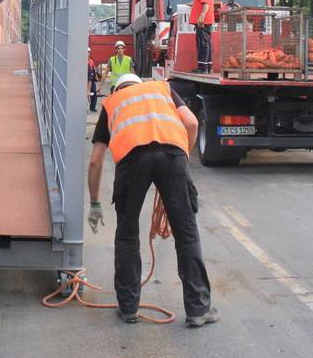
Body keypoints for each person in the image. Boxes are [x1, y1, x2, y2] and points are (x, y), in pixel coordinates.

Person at [87, 73, 219, 328]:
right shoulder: (162, 89)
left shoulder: (113, 103)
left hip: (132, 162)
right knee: (186, 233)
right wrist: (182, 160)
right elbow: (191, 123)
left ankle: (128, 309)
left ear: (117, 89)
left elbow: (95, 160)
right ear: (140, 84)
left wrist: (94, 203)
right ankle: (198, 310)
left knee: (127, 234)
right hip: (172, 156)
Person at [189, 0, 214, 73]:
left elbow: (206, 4)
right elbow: (201, 3)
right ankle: (207, 67)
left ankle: (202, 68)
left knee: (203, 44)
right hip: (203, 22)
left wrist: (201, 16)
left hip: (202, 23)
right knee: (205, 43)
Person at [87, 48, 99, 112]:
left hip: (92, 80)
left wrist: (96, 77)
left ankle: (92, 107)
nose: (88, 53)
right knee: (86, 93)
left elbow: (94, 69)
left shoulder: (91, 61)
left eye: (89, 52)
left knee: (94, 93)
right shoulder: (84, 61)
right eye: (87, 52)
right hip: (86, 80)